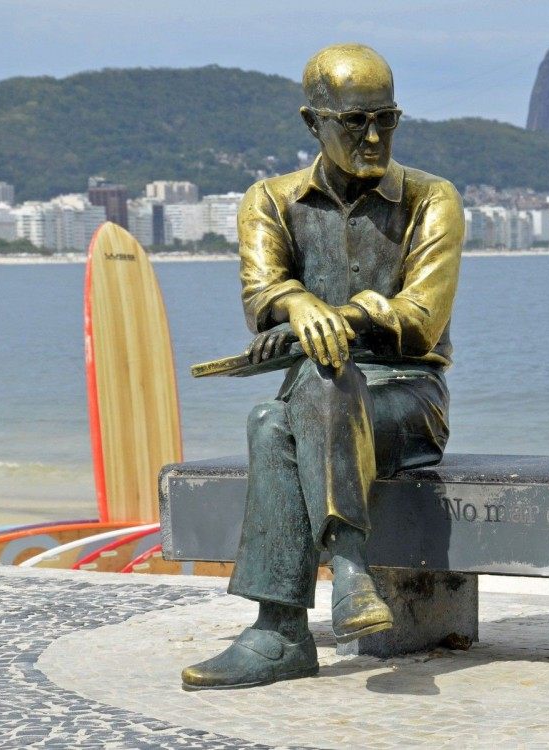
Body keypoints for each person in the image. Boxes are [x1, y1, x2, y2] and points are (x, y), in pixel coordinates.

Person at [181, 43, 464, 690]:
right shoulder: (270, 201)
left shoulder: (431, 200)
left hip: (407, 401)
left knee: (297, 396)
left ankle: (288, 623)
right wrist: (298, 303)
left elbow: (421, 315)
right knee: (273, 415)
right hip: (317, 400)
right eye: (354, 122)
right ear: (314, 123)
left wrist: (345, 317)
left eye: (386, 119)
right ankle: (326, 597)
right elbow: (262, 294)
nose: (373, 136)